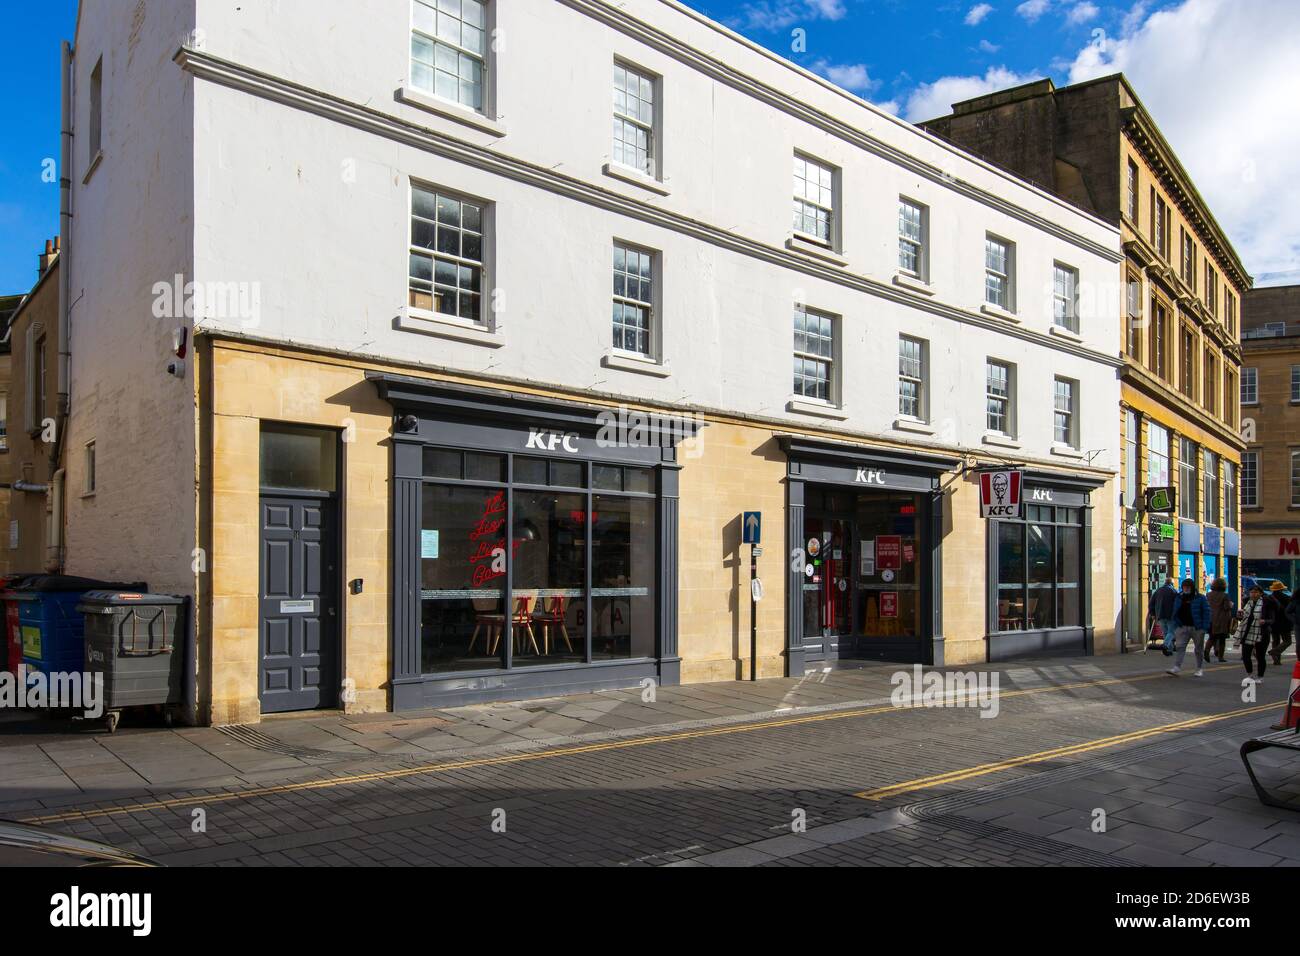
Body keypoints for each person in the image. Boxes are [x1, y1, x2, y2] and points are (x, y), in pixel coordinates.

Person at [1238, 583, 1275, 682]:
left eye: (1256, 592)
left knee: (1260, 655)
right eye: (1252, 592)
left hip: (1262, 632)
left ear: (1261, 593)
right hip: (1247, 632)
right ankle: (1250, 674)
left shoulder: (1266, 603)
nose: (1253, 594)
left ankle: (1260, 676)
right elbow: (1243, 618)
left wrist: (1265, 621)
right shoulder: (1247, 603)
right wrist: (1239, 615)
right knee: (1245, 655)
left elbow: (1272, 619)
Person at [1147, 576, 1178, 656]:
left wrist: (1152, 613)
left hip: (1160, 615)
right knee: (1171, 632)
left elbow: (1151, 603)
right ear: (1171, 583)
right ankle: (1165, 645)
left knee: (1165, 633)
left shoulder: (1158, 591)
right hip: (1170, 615)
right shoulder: (1173, 591)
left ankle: (1169, 650)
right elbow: (1178, 603)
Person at [1206, 577, 1234, 664]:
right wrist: (1231, 605)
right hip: (1222, 619)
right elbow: (1227, 607)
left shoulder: (1208, 594)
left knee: (1212, 637)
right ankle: (1220, 657)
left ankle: (1206, 651)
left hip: (1211, 618)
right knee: (1222, 639)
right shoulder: (1225, 595)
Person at [1270, 581, 1294, 665]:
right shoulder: (1287, 598)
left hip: (1273, 623)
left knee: (1275, 641)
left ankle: (1276, 660)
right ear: (1281, 589)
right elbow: (1290, 610)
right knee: (1287, 641)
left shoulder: (1270, 598)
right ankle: (1275, 651)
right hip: (1285, 623)